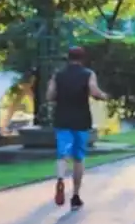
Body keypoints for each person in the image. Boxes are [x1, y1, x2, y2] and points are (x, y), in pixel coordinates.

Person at [46, 46, 109, 210]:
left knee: (62, 154)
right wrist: (104, 96)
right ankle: (75, 196)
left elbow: (49, 96)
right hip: (81, 120)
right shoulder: (88, 74)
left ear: (68, 58)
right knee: (78, 159)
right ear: (82, 59)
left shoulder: (58, 75)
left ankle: (60, 178)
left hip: (62, 119)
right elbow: (94, 91)